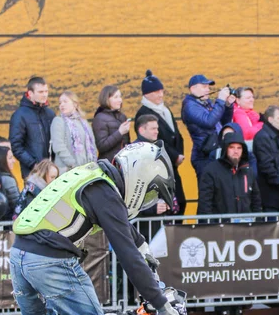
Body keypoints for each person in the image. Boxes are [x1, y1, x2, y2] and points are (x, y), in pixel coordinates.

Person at [11, 142, 178, 315]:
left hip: (19, 256)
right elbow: (128, 256)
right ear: (140, 177)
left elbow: (120, 225)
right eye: (149, 193)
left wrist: (141, 244)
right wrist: (159, 302)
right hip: (49, 261)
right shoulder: (104, 190)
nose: (146, 200)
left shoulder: (91, 177)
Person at [198, 131, 261, 315]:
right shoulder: (211, 170)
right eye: (232, 148)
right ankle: (223, 313)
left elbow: (256, 200)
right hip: (220, 230)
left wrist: (256, 223)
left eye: (239, 148)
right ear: (225, 150)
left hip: (243, 231)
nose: (235, 151)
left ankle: (239, 311)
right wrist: (208, 227)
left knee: (242, 273)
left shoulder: (248, 171)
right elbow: (205, 202)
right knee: (222, 272)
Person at [135, 70, 186, 214]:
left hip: (172, 166)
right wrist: (174, 156)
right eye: (156, 92)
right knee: (169, 205)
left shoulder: (165, 110)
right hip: (161, 166)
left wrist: (179, 153)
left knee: (180, 202)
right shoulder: (143, 113)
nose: (160, 95)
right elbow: (156, 140)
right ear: (146, 94)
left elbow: (176, 134)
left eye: (161, 91)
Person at [181, 74, 233, 180]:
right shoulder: (190, 106)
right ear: (193, 88)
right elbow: (209, 122)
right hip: (204, 157)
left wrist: (227, 105)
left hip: (214, 152)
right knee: (208, 192)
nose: (207, 90)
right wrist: (221, 100)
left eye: (208, 87)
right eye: (204, 87)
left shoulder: (206, 103)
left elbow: (223, 122)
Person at [9, 76, 56, 178]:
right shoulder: (20, 115)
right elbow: (16, 146)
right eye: (40, 92)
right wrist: (34, 165)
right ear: (30, 93)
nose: (44, 95)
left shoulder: (50, 113)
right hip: (32, 173)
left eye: (46, 91)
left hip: (52, 171)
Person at [50, 91, 97, 174]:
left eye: (65, 101)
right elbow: (58, 146)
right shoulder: (58, 121)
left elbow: (93, 145)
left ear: (75, 104)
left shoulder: (83, 122)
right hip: (67, 171)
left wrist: (92, 164)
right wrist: (74, 165)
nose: (62, 105)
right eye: (60, 103)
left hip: (87, 170)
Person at [254, 105, 279, 212]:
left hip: (278, 193)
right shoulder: (263, 137)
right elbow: (266, 166)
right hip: (270, 195)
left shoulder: (276, 135)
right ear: (270, 119)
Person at [92, 84, 131, 162]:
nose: (120, 100)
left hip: (123, 162)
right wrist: (120, 132)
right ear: (106, 99)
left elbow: (126, 142)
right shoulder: (99, 118)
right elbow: (101, 146)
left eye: (120, 97)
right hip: (109, 164)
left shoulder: (122, 116)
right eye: (116, 97)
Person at [0, 146, 20, 218]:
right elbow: (17, 205)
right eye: (10, 158)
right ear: (1, 160)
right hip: (8, 221)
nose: (14, 161)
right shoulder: (8, 180)